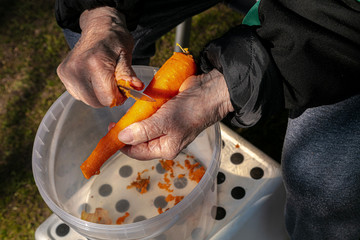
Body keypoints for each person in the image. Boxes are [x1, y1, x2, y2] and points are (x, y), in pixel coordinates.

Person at [55, 0, 360, 239]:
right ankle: (120, 141)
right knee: (90, 38)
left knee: (324, 184)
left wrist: (222, 88)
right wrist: (101, 16)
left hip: (339, 23)